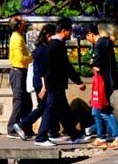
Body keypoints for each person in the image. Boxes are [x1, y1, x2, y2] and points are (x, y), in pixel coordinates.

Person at [34, 18, 86, 147]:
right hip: (55, 84)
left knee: (64, 111)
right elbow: (66, 66)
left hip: (54, 84)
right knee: (50, 111)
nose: (71, 34)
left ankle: (74, 135)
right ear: (64, 31)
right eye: (70, 31)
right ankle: (40, 137)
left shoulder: (51, 45)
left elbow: (46, 68)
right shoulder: (58, 46)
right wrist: (78, 81)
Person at [14, 23, 60, 141]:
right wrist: (44, 87)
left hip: (40, 81)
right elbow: (43, 71)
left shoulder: (39, 49)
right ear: (48, 36)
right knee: (43, 107)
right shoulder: (43, 50)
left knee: (47, 106)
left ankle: (53, 131)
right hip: (42, 82)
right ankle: (22, 125)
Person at [85, 24, 118, 150]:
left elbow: (98, 67)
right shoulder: (104, 44)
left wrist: (91, 64)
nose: (87, 39)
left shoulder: (99, 46)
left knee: (104, 110)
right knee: (96, 110)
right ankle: (101, 138)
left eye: (86, 36)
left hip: (104, 81)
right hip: (108, 80)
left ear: (90, 34)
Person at [6, 14, 33, 138]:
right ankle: (12, 129)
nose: (24, 22)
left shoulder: (19, 37)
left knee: (27, 102)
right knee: (19, 102)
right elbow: (20, 59)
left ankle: (26, 128)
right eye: (22, 21)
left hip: (23, 72)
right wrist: (32, 57)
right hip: (18, 72)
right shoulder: (16, 38)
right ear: (18, 25)